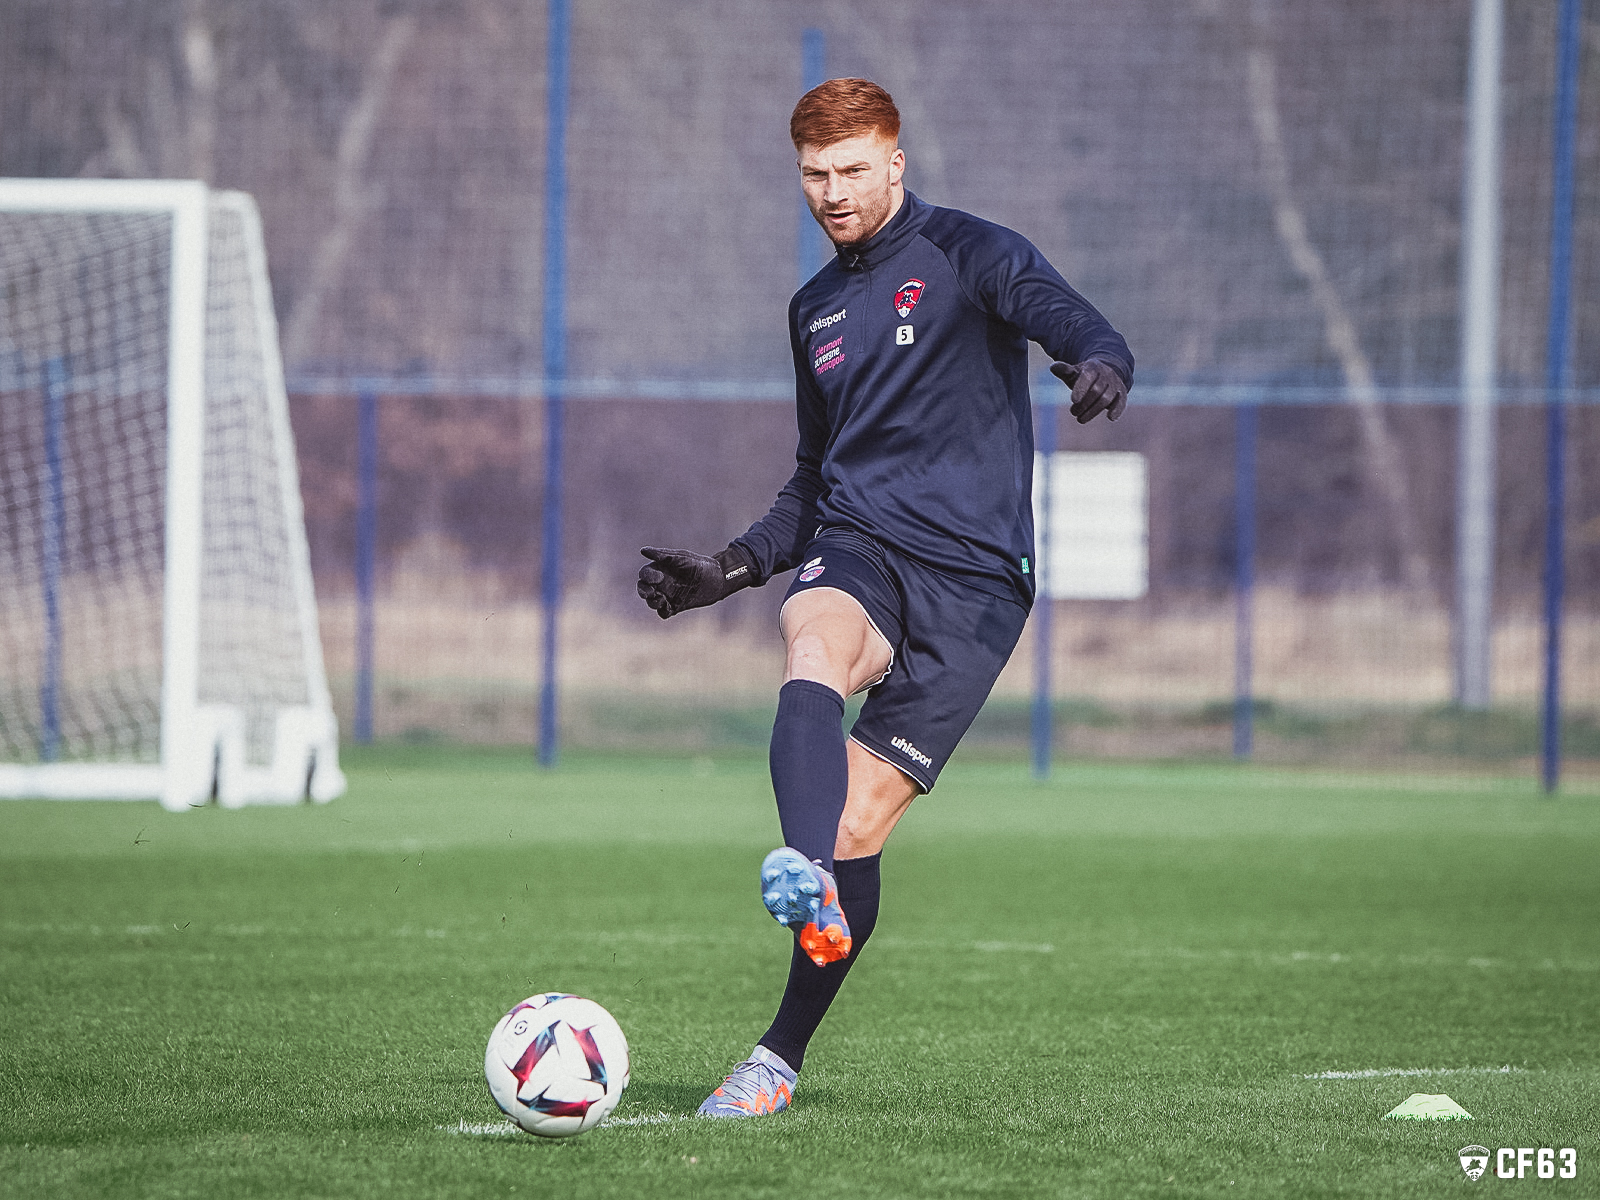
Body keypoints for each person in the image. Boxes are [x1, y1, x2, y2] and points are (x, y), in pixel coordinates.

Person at [636, 78, 1133, 1118]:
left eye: (853, 169)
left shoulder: (969, 252)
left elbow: (1063, 315)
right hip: (862, 543)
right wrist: (725, 570)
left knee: (860, 826)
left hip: (977, 583)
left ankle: (780, 1047)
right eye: (815, 175)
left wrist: (1096, 362)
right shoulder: (813, 308)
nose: (833, 191)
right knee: (811, 639)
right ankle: (800, 872)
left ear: (895, 163)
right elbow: (813, 479)